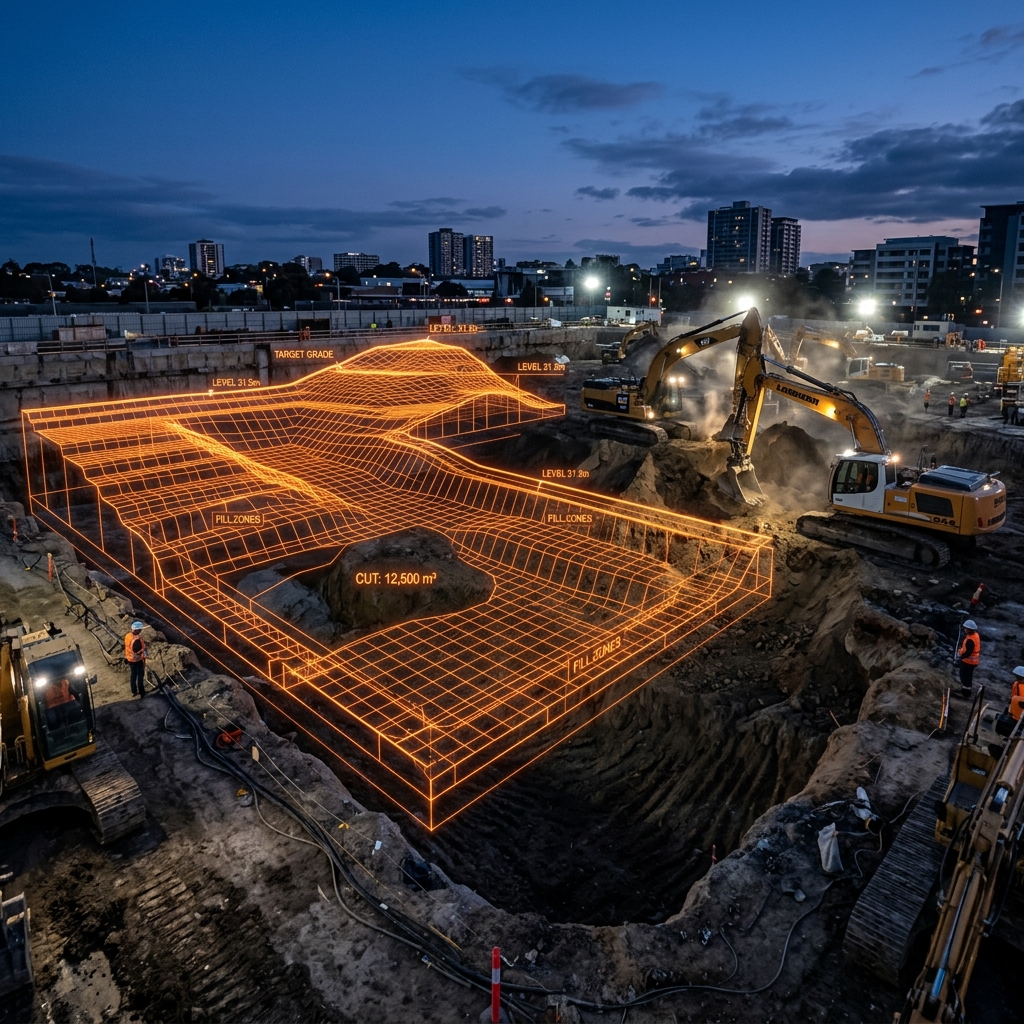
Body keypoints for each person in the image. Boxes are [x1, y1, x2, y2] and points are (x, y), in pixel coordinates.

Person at [957, 619, 981, 697]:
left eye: (966, 628)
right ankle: (967, 690)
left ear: (969, 629)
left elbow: (968, 652)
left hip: (968, 662)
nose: (965, 630)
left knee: (964, 676)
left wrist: (961, 657)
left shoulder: (970, 639)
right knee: (968, 676)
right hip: (973, 662)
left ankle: (965, 692)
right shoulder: (975, 635)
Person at [124, 620, 147, 698]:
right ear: (136, 630)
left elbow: (128, 647)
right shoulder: (136, 640)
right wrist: (143, 650)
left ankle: (134, 691)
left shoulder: (128, 636)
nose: (140, 631)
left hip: (130, 659)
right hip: (137, 660)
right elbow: (137, 651)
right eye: (140, 630)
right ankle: (142, 692)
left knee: (133, 675)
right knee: (140, 676)